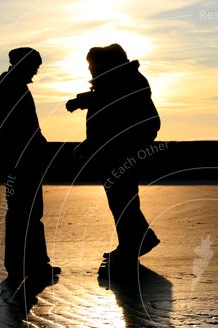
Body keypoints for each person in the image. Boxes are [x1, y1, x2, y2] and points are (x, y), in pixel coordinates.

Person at [66, 44, 161, 265]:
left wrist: (89, 142)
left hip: (123, 150)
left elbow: (112, 115)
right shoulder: (122, 80)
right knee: (121, 198)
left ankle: (134, 244)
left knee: (122, 198)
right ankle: (135, 241)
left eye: (92, 65)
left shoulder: (124, 82)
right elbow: (105, 102)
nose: (90, 69)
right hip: (118, 148)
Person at [0, 47, 60, 283]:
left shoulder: (10, 88)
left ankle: (27, 264)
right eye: (33, 68)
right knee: (26, 212)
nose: (35, 73)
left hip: (14, 159)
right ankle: (31, 264)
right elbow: (23, 128)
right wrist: (38, 144)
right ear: (23, 66)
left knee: (22, 213)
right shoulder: (13, 88)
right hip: (21, 160)